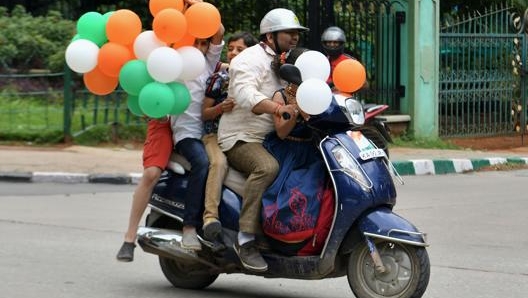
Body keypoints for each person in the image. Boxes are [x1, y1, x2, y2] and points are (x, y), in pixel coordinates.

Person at [216, 8, 308, 272]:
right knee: (266, 168)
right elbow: (245, 94)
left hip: (274, 138)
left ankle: (286, 235)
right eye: (289, 33)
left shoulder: (287, 62)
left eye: (296, 34)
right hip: (242, 138)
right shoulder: (248, 60)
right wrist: (278, 109)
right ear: (270, 35)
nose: (294, 38)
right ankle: (245, 240)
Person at [260, 47, 328, 255]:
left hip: (311, 149)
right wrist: (298, 109)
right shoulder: (280, 96)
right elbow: (281, 132)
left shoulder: (319, 93)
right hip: (287, 149)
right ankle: (282, 238)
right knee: (294, 189)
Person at [170, 20, 225, 250]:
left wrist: (201, 10)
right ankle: (189, 228)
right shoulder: (175, 65)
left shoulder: (209, 63)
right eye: (197, 43)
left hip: (210, 134)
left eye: (204, 43)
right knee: (202, 163)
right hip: (187, 134)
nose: (202, 47)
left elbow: (219, 31)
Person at [201, 32, 258, 242]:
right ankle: (210, 217)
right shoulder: (220, 78)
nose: (233, 53)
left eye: (239, 50)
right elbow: (204, 113)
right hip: (213, 135)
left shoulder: (255, 79)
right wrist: (220, 108)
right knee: (219, 163)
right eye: (231, 48)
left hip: (242, 137)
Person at [116, 116, 172, 262]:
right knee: (151, 173)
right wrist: (152, 109)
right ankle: (130, 237)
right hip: (163, 125)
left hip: (201, 124)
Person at [321, 26, 356, 90]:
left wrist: (343, 87)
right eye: (329, 42)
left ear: (341, 43)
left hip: (343, 98)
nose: (332, 45)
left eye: (335, 42)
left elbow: (364, 84)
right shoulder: (321, 61)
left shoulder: (350, 62)